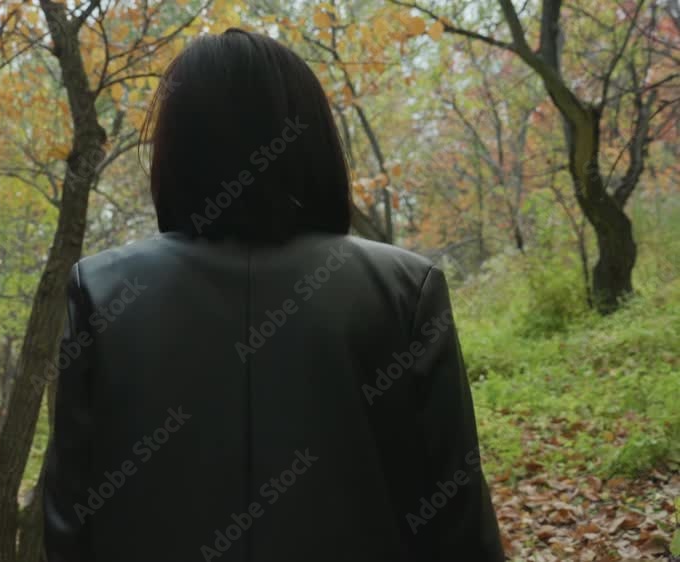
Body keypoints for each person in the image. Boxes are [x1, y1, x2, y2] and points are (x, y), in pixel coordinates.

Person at [43, 28, 504, 562]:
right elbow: (460, 522)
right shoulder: (404, 290)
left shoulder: (102, 291)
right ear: (313, 139)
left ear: (178, 150)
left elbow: (68, 524)